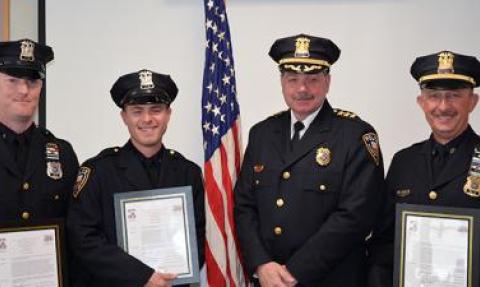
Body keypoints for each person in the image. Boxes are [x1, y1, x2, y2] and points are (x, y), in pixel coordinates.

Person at [234, 34, 385, 287]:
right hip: (269, 280)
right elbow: (244, 205)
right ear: (282, 82)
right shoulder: (262, 133)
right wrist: (261, 264)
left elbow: (356, 216)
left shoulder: (355, 135)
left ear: (327, 82)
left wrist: (294, 272)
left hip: (332, 279)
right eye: (293, 79)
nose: (302, 89)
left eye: (312, 80)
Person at [67, 69, 205, 287]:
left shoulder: (188, 173)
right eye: (137, 111)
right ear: (124, 117)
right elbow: (84, 239)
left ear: (168, 114)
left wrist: (172, 275)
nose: (147, 119)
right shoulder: (98, 172)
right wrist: (142, 276)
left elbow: (198, 237)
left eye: (156, 110)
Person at [367, 51, 480, 287]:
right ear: (421, 102)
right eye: (434, 96)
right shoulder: (404, 162)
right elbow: (384, 243)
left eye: (454, 96)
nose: (443, 106)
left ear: (473, 101)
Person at [0, 38, 79, 223]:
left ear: (41, 88)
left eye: (32, 82)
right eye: (12, 80)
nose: (23, 90)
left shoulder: (63, 154)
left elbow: (76, 226)